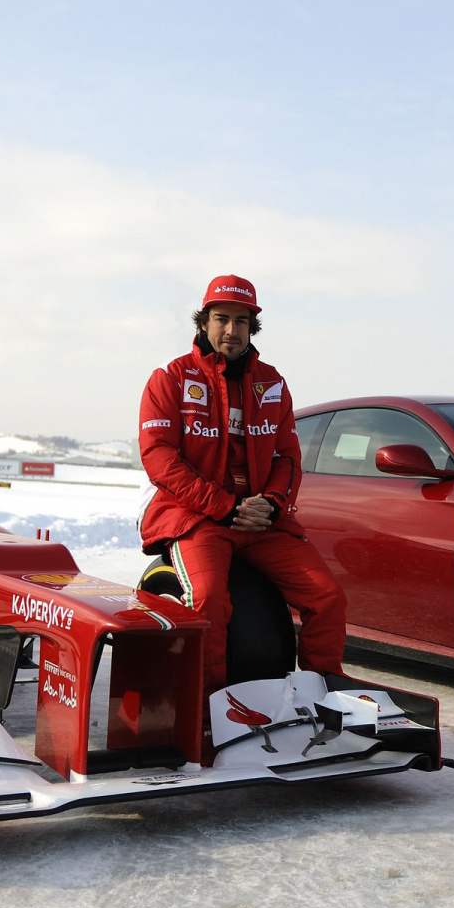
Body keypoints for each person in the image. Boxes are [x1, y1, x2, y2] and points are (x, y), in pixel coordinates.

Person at [138, 275, 348, 750]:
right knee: (209, 601)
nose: (231, 330)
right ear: (204, 322)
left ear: (253, 327)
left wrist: (271, 504)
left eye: (241, 321)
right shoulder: (170, 378)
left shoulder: (272, 383)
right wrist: (224, 505)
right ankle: (210, 710)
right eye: (221, 319)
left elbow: (287, 456)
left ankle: (322, 696)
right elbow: (159, 458)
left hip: (259, 519)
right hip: (197, 517)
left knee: (327, 595)